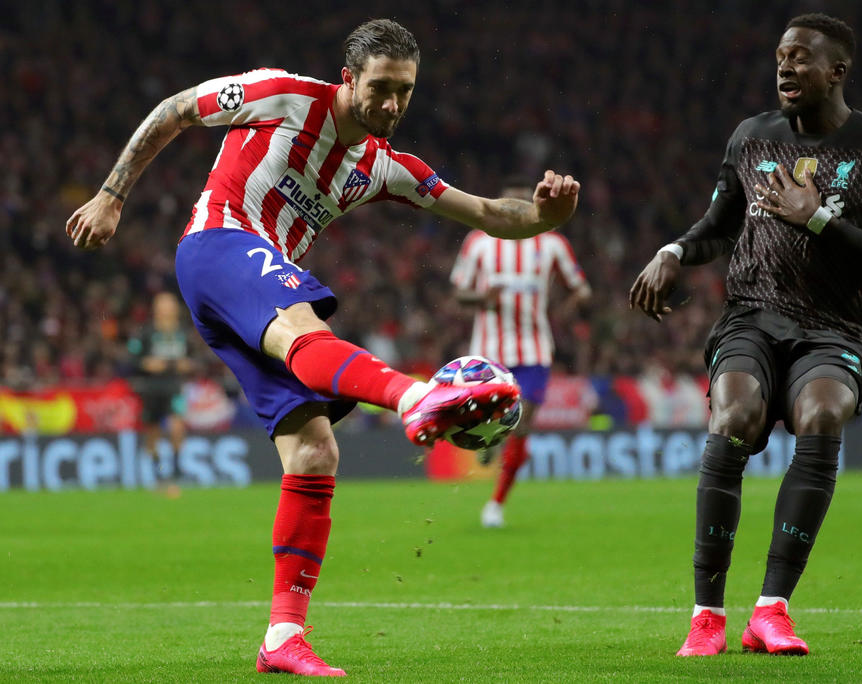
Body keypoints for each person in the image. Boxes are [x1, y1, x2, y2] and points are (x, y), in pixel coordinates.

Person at [66, 18, 579, 677]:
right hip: (219, 245)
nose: (391, 103)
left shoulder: (383, 166)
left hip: (253, 289)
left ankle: (283, 636)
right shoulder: (282, 95)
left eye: (405, 91)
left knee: (314, 450)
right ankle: (416, 398)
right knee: (306, 330)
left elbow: (482, 211)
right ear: (349, 78)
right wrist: (111, 196)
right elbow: (176, 110)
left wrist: (543, 218)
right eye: (380, 87)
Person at [630, 13, 862, 656]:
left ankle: (770, 609)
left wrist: (819, 221)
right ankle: (707, 616)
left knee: (822, 414)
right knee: (733, 417)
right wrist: (673, 251)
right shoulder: (751, 136)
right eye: (781, 56)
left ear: (837, 71)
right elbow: (717, 226)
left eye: (801, 58)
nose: (785, 66)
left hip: (833, 327)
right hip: (752, 316)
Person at [449, 176, 590, 528]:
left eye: (521, 204)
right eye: (508, 204)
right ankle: (490, 438)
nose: (514, 210)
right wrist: (483, 298)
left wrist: (566, 309)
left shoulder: (552, 243)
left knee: (522, 424)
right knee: (491, 422)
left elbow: (582, 289)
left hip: (534, 349)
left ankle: (496, 503)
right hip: (488, 351)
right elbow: (459, 292)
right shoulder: (478, 242)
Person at [126, 291, 194, 495]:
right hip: (151, 388)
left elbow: (194, 358)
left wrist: (187, 365)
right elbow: (132, 358)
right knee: (153, 434)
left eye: (170, 305)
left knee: (176, 427)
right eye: (163, 305)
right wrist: (146, 364)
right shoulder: (146, 332)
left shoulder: (183, 332)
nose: (167, 309)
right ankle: (159, 473)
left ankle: (176, 472)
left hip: (174, 386)